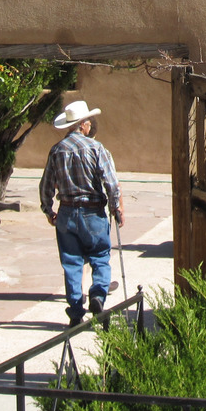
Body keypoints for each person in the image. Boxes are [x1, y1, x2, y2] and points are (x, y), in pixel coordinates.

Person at [39, 99, 124, 325]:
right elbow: (112, 183)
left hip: (66, 212)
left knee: (71, 262)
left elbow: (46, 185)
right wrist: (116, 207)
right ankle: (97, 295)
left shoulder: (56, 151)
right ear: (84, 124)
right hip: (92, 212)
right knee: (100, 257)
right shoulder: (97, 149)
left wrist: (49, 210)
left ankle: (76, 311)